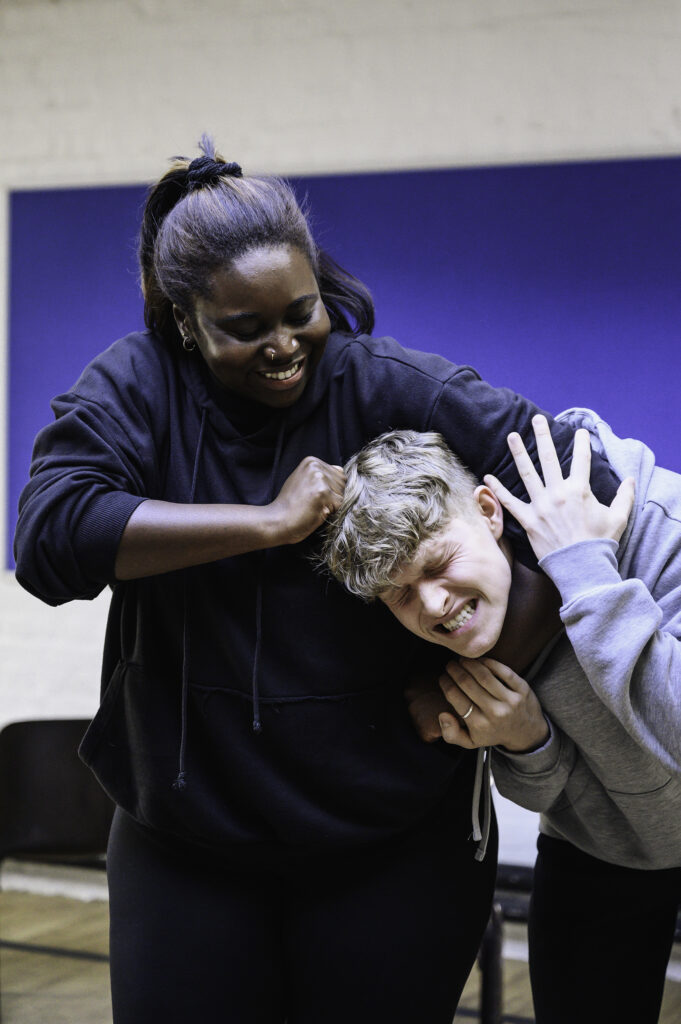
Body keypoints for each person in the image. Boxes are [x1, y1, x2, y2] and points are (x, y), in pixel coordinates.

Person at [14, 136, 620, 1024]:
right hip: (186, 848)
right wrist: (268, 523)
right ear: (185, 321)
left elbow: (585, 489)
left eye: (301, 312)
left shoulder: (387, 385)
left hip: (392, 851)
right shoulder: (139, 386)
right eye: (244, 328)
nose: (283, 346)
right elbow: (50, 537)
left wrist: (474, 674)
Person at [322, 412, 681, 1024]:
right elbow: (547, 792)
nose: (435, 604)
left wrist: (586, 569)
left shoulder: (656, 522)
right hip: (602, 851)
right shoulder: (455, 633)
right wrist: (527, 742)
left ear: (489, 511)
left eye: (437, 564)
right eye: (400, 594)